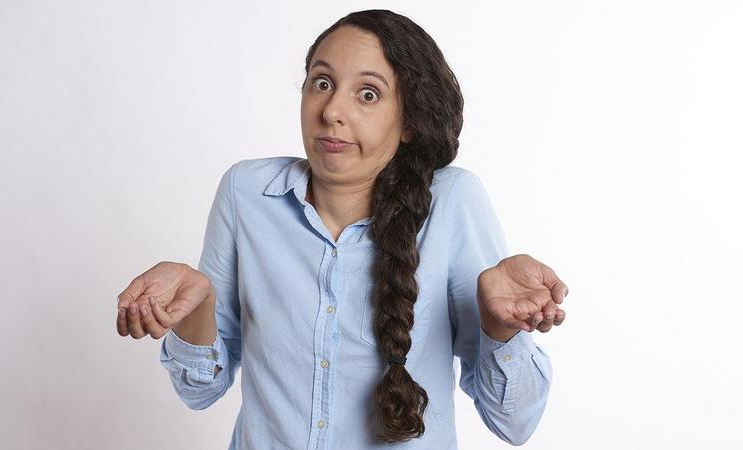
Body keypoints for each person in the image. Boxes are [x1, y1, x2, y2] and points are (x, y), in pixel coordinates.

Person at [116, 9, 569, 449]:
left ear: (409, 120)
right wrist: (198, 305)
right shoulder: (246, 193)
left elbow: (515, 423)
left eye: (368, 94)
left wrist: (499, 328)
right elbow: (199, 392)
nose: (332, 110)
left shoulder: (452, 202)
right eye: (322, 83)